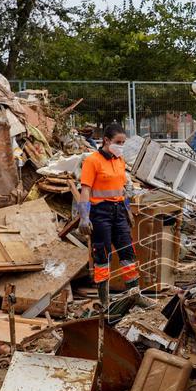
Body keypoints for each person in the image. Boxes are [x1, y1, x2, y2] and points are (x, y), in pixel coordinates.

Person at [77, 123, 139, 298]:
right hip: (100, 213)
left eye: (123, 142)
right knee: (102, 256)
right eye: (118, 142)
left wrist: (127, 210)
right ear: (106, 140)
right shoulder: (92, 161)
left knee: (128, 253)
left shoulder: (119, 160)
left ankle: (135, 296)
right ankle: (104, 301)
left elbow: (122, 189)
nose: (121, 146)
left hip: (119, 212)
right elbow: (85, 190)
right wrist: (84, 217)